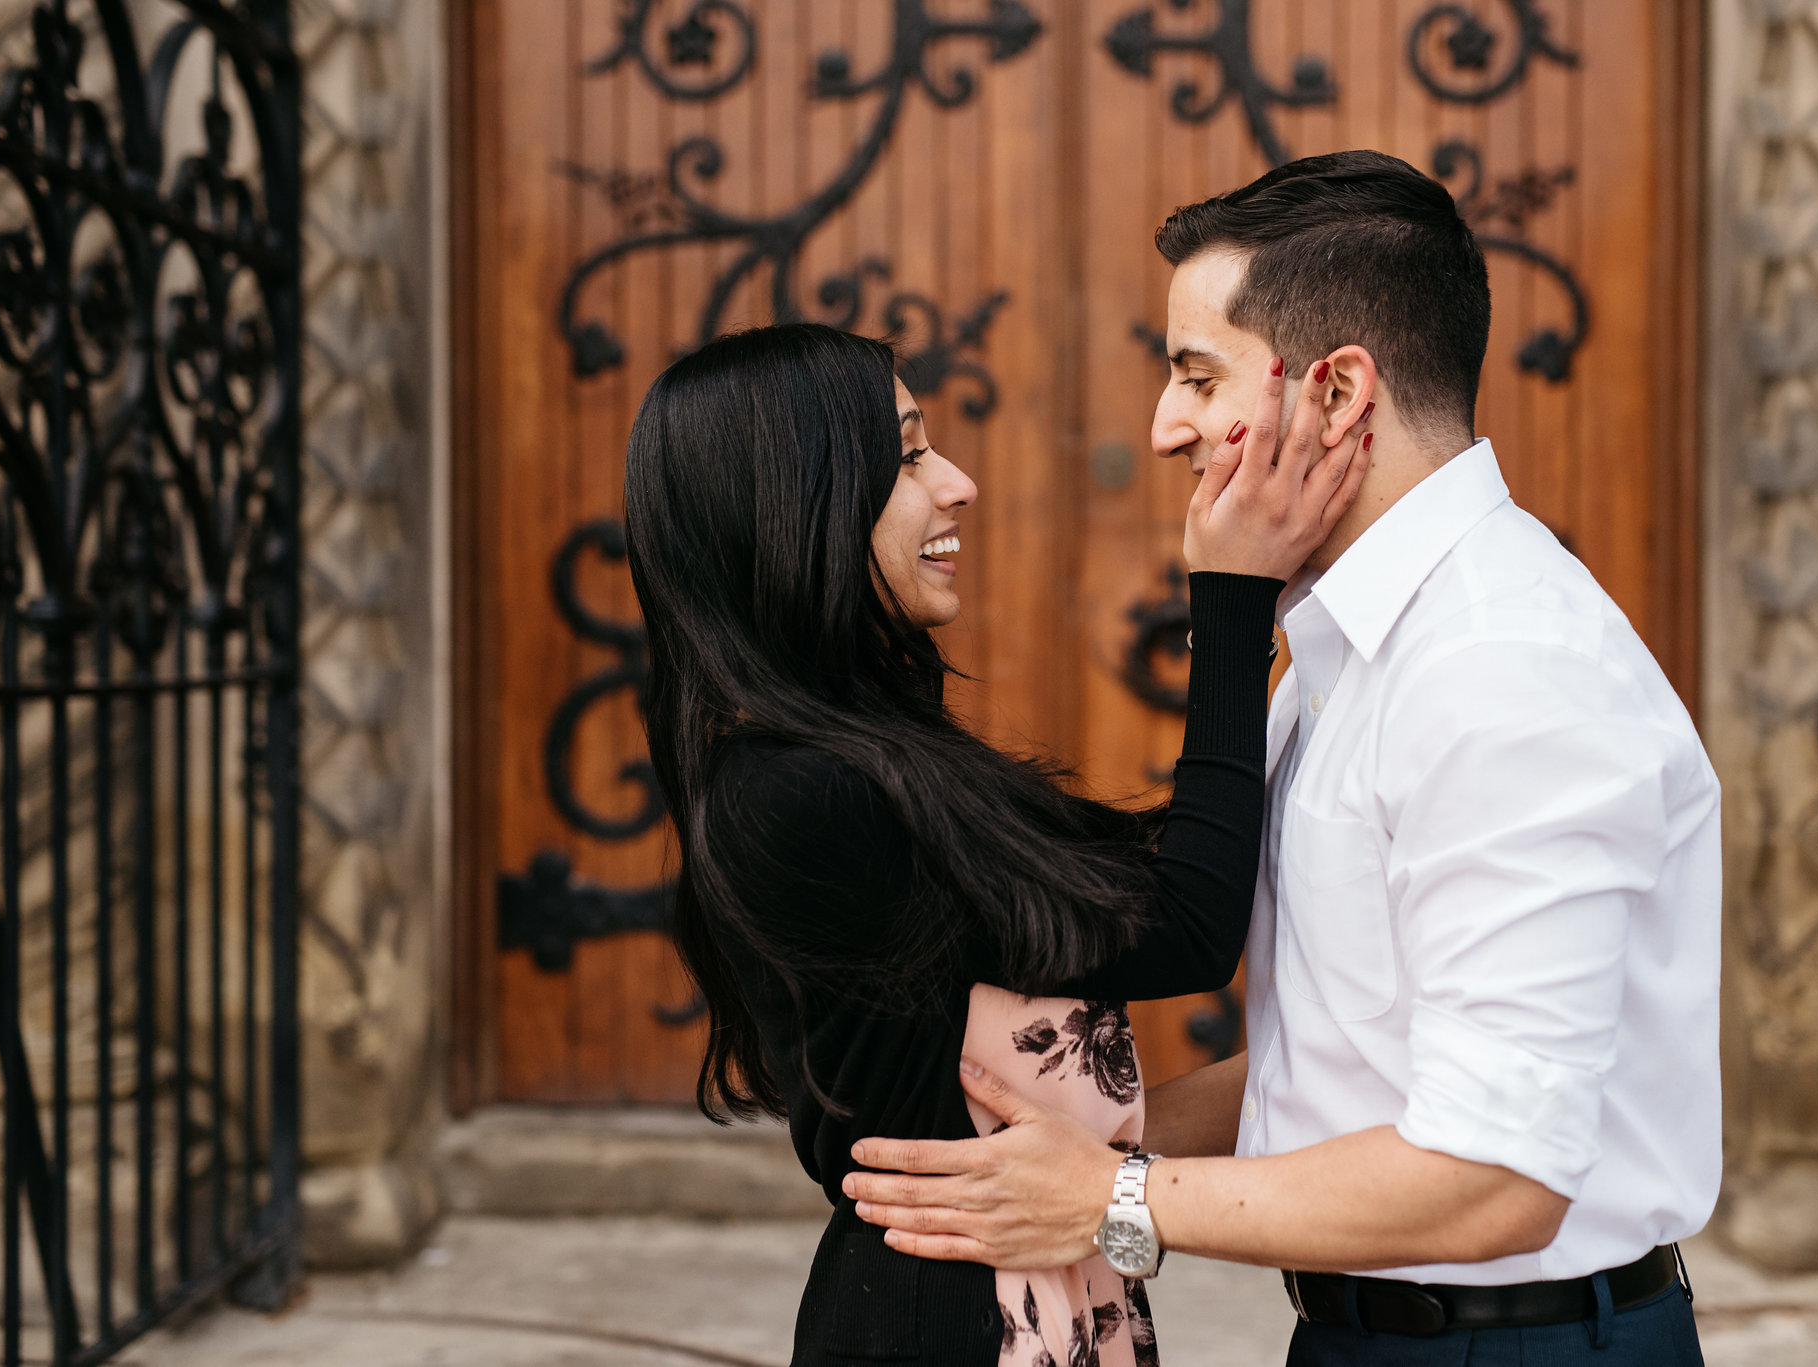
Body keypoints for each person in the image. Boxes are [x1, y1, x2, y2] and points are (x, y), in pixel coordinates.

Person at [846, 151, 1721, 1367]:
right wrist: (1052, 1144)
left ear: (1337, 390)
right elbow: (1362, 1049)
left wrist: (1108, 1199)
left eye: (1196, 376)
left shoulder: (1501, 671)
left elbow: (1495, 1175)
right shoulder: (1347, 649)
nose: (1165, 427)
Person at [621, 321, 1367, 1367]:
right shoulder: (799, 788)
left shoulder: (857, 753)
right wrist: (1232, 600)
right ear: (796, 505)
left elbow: (1087, 1039)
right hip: (948, 1324)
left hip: (1013, 1293)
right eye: (909, 453)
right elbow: (1183, 926)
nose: (958, 482)